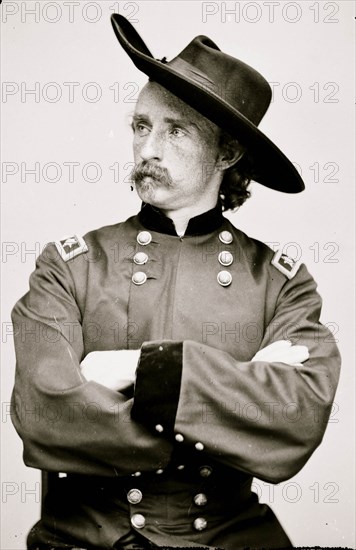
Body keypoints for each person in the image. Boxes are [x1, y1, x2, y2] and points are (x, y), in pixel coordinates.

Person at [11, 14, 341, 550]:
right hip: (83, 540)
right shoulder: (67, 266)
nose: (147, 149)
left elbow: (295, 423)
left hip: (230, 540)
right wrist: (237, 390)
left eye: (175, 130)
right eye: (141, 125)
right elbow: (44, 413)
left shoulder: (283, 285)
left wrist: (123, 369)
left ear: (227, 153)